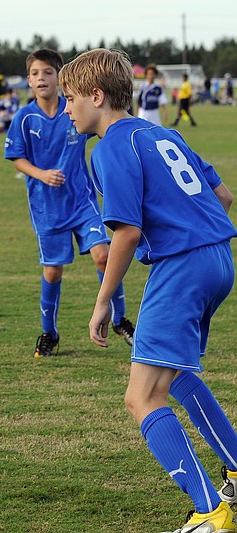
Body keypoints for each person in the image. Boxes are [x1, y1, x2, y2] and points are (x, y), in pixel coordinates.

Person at [60, 47, 237, 533]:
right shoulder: (164, 133)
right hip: (219, 257)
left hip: (182, 266)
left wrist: (103, 302)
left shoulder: (112, 147)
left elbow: (127, 232)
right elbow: (223, 196)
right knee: (173, 373)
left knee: (141, 397)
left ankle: (210, 512)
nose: (67, 108)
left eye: (71, 98)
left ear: (97, 96)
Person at [4, 48, 135, 358]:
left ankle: (121, 320)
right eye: (35, 73)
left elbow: (108, 126)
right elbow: (16, 158)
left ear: (59, 77)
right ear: (28, 80)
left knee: (104, 255)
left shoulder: (75, 108)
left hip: (82, 201)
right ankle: (49, 332)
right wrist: (41, 174)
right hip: (47, 207)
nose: (42, 78)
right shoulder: (24, 117)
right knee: (53, 272)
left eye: (47, 72)